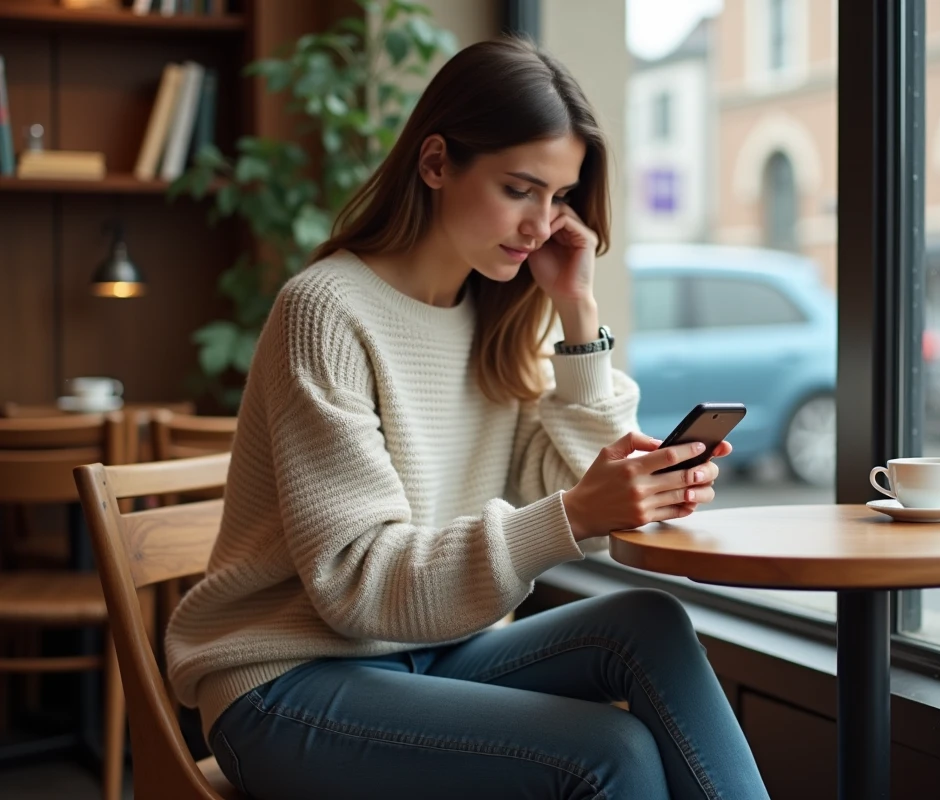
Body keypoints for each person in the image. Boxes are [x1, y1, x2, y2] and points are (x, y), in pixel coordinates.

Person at [166, 36, 770, 800]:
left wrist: (577, 314)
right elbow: (359, 586)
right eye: (520, 189)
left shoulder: (504, 314)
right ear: (436, 163)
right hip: (285, 687)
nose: (541, 225)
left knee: (651, 626)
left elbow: (558, 490)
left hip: (434, 653)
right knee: (611, 752)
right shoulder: (325, 312)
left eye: (559, 197)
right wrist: (577, 509)